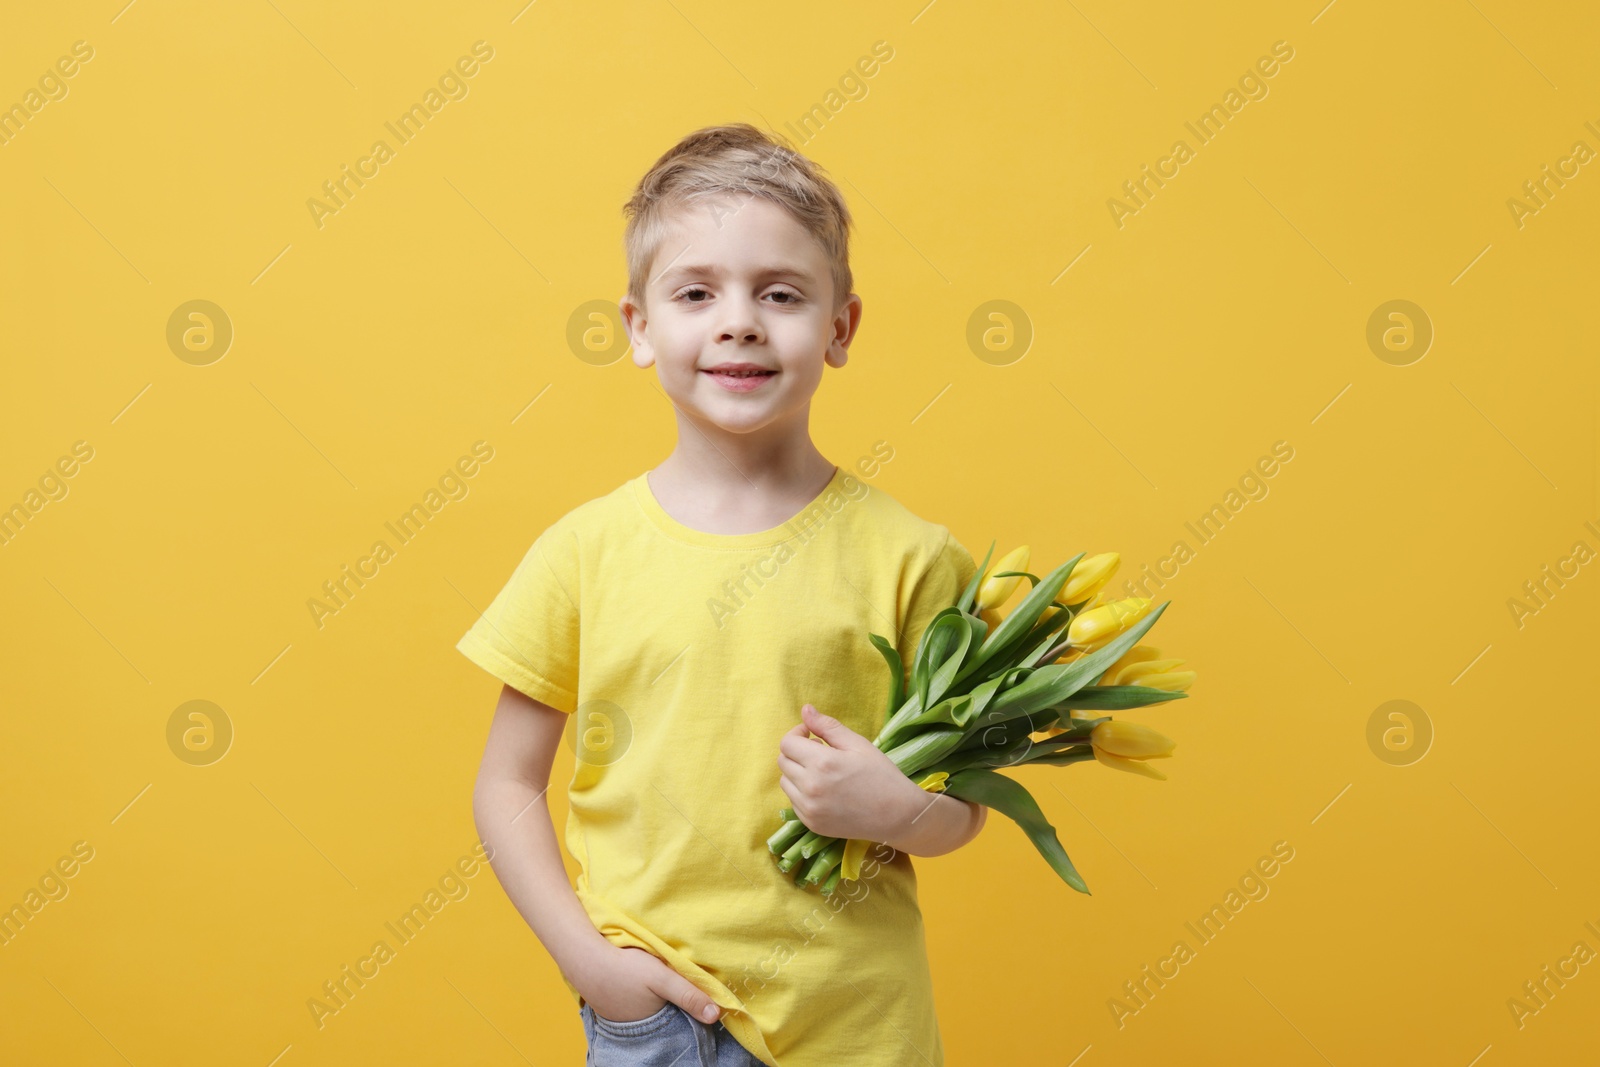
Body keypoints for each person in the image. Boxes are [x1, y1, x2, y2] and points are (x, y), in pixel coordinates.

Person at [458, 122, 987, 1067]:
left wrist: (892, 807)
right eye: (696, 292)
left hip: (858, 1031)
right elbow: (504, 782)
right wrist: (590, 963)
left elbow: (968, 809)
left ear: (840, 329)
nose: (738, 320)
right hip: (652, 1013)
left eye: (779, 294)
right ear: (639, 327)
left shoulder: (913, 559)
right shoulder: (586, 552)